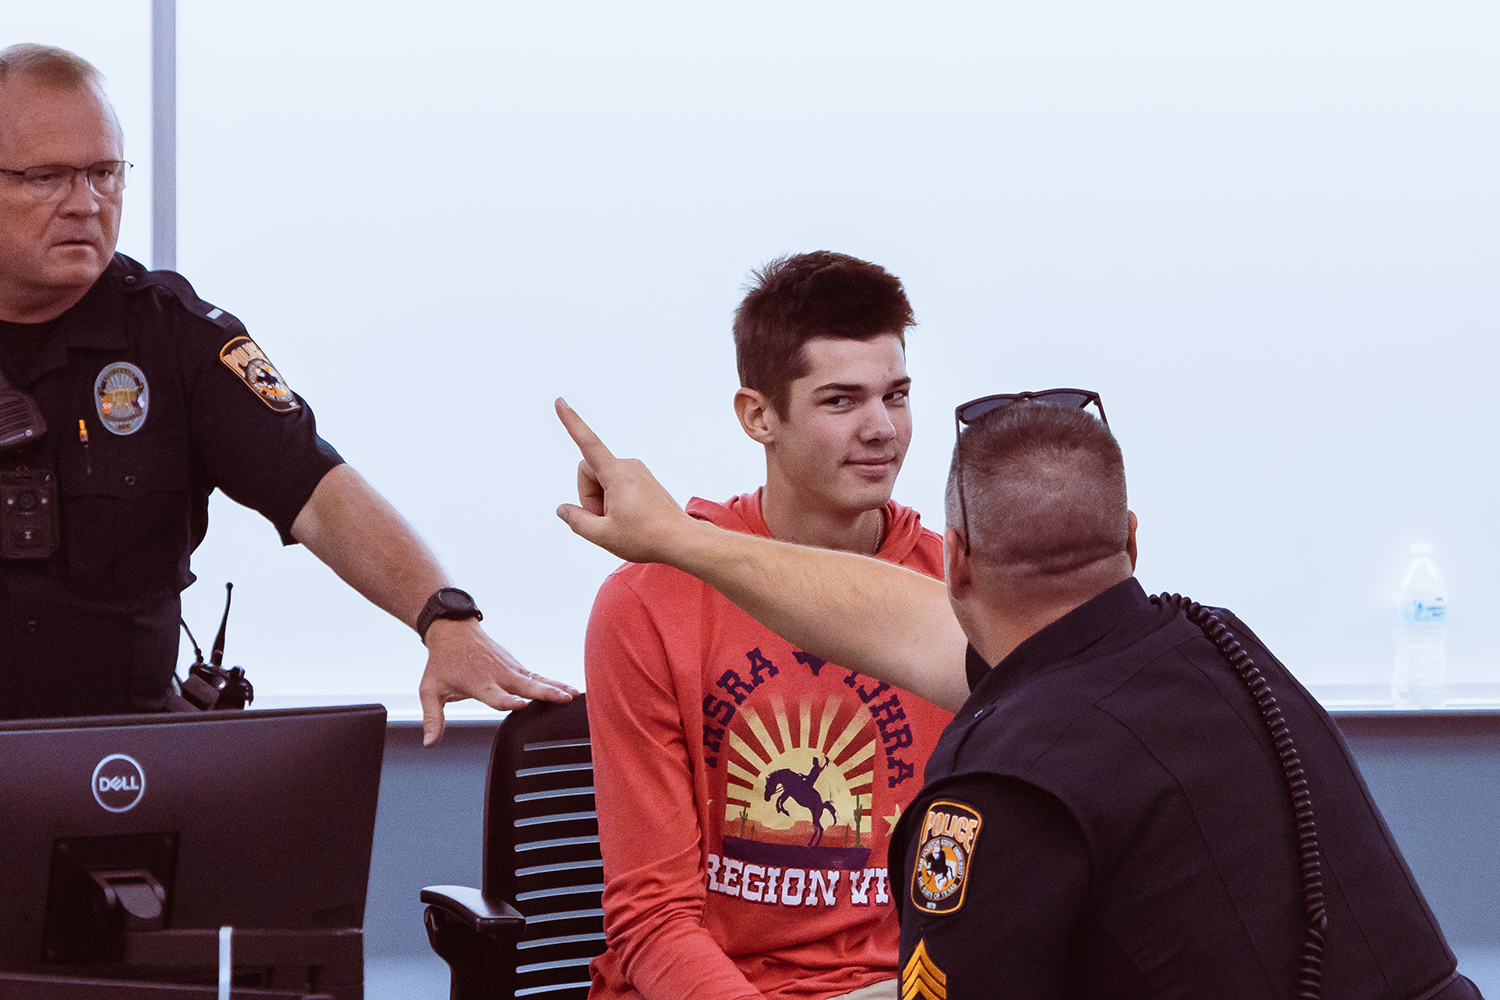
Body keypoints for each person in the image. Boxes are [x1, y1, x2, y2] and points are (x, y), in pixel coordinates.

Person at [553, 393, 1483, 999]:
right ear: (1130, 538)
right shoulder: (1221, 653)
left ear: (953, 563)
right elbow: (901, 623)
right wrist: (678, 541)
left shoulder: (1003, 789)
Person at [0, 43, 572, 741]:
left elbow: (318, 493)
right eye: (47, 177)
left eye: (103, 173)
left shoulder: (175, 338)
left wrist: (446, 620)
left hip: (123, 765)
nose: (85, 203)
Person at [581, 252, 953, 1000]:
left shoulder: (956, 588)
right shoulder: (648, 603)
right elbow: (652, 919)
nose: (883, 429)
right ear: (758, 416)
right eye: (841, 402)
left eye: (897, 396)